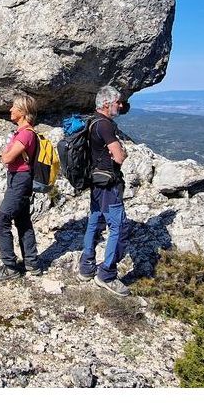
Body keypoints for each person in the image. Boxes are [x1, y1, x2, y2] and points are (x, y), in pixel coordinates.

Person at [76, 85, 131, 296]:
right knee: (119, 227)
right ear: (107, 104)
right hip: (108, 183)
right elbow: (119, 157)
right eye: (118, 102)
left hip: (95, 181)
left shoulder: (91, 122)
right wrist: (121, 151)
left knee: (94, 221)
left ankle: (86, 267)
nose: (121, 105)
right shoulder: (106, 125)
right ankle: (106, 274)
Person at [0, 92, 44, 281]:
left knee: (1, 222)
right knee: (22, 220)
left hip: (19, 180)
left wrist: (5, 155)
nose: (10, 109)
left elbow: (7, 157)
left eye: (14, 107)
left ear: (22, 111)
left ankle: (10, 267)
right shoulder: (23, 133)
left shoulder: (26, 134)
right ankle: (32, 262)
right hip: (20, 179)